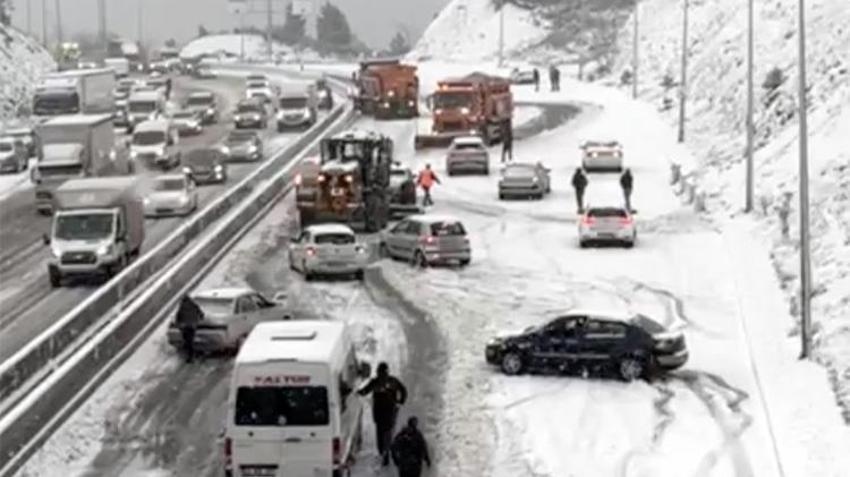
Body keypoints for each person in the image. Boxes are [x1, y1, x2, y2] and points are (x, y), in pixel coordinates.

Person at [358, 362, 408, 466]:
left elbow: (364, 391)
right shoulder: (393, 381)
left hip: (379, 413)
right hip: (390, 412)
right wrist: (400, 402)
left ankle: (383, 451)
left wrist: (356, 392)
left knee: (380, 434)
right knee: (388, 432)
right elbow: (403, 390)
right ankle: (386, 451)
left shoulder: (375, 382)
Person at [175, 294, 203, 363]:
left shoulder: (182, 307)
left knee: (187, 341)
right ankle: (191, 355)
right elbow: (201, 314)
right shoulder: (194, 305)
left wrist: (178, 324)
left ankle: (188, 355)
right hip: (192, 326)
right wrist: (198, 320)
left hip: (184, 326)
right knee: (190, 341)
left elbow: (178, 316)